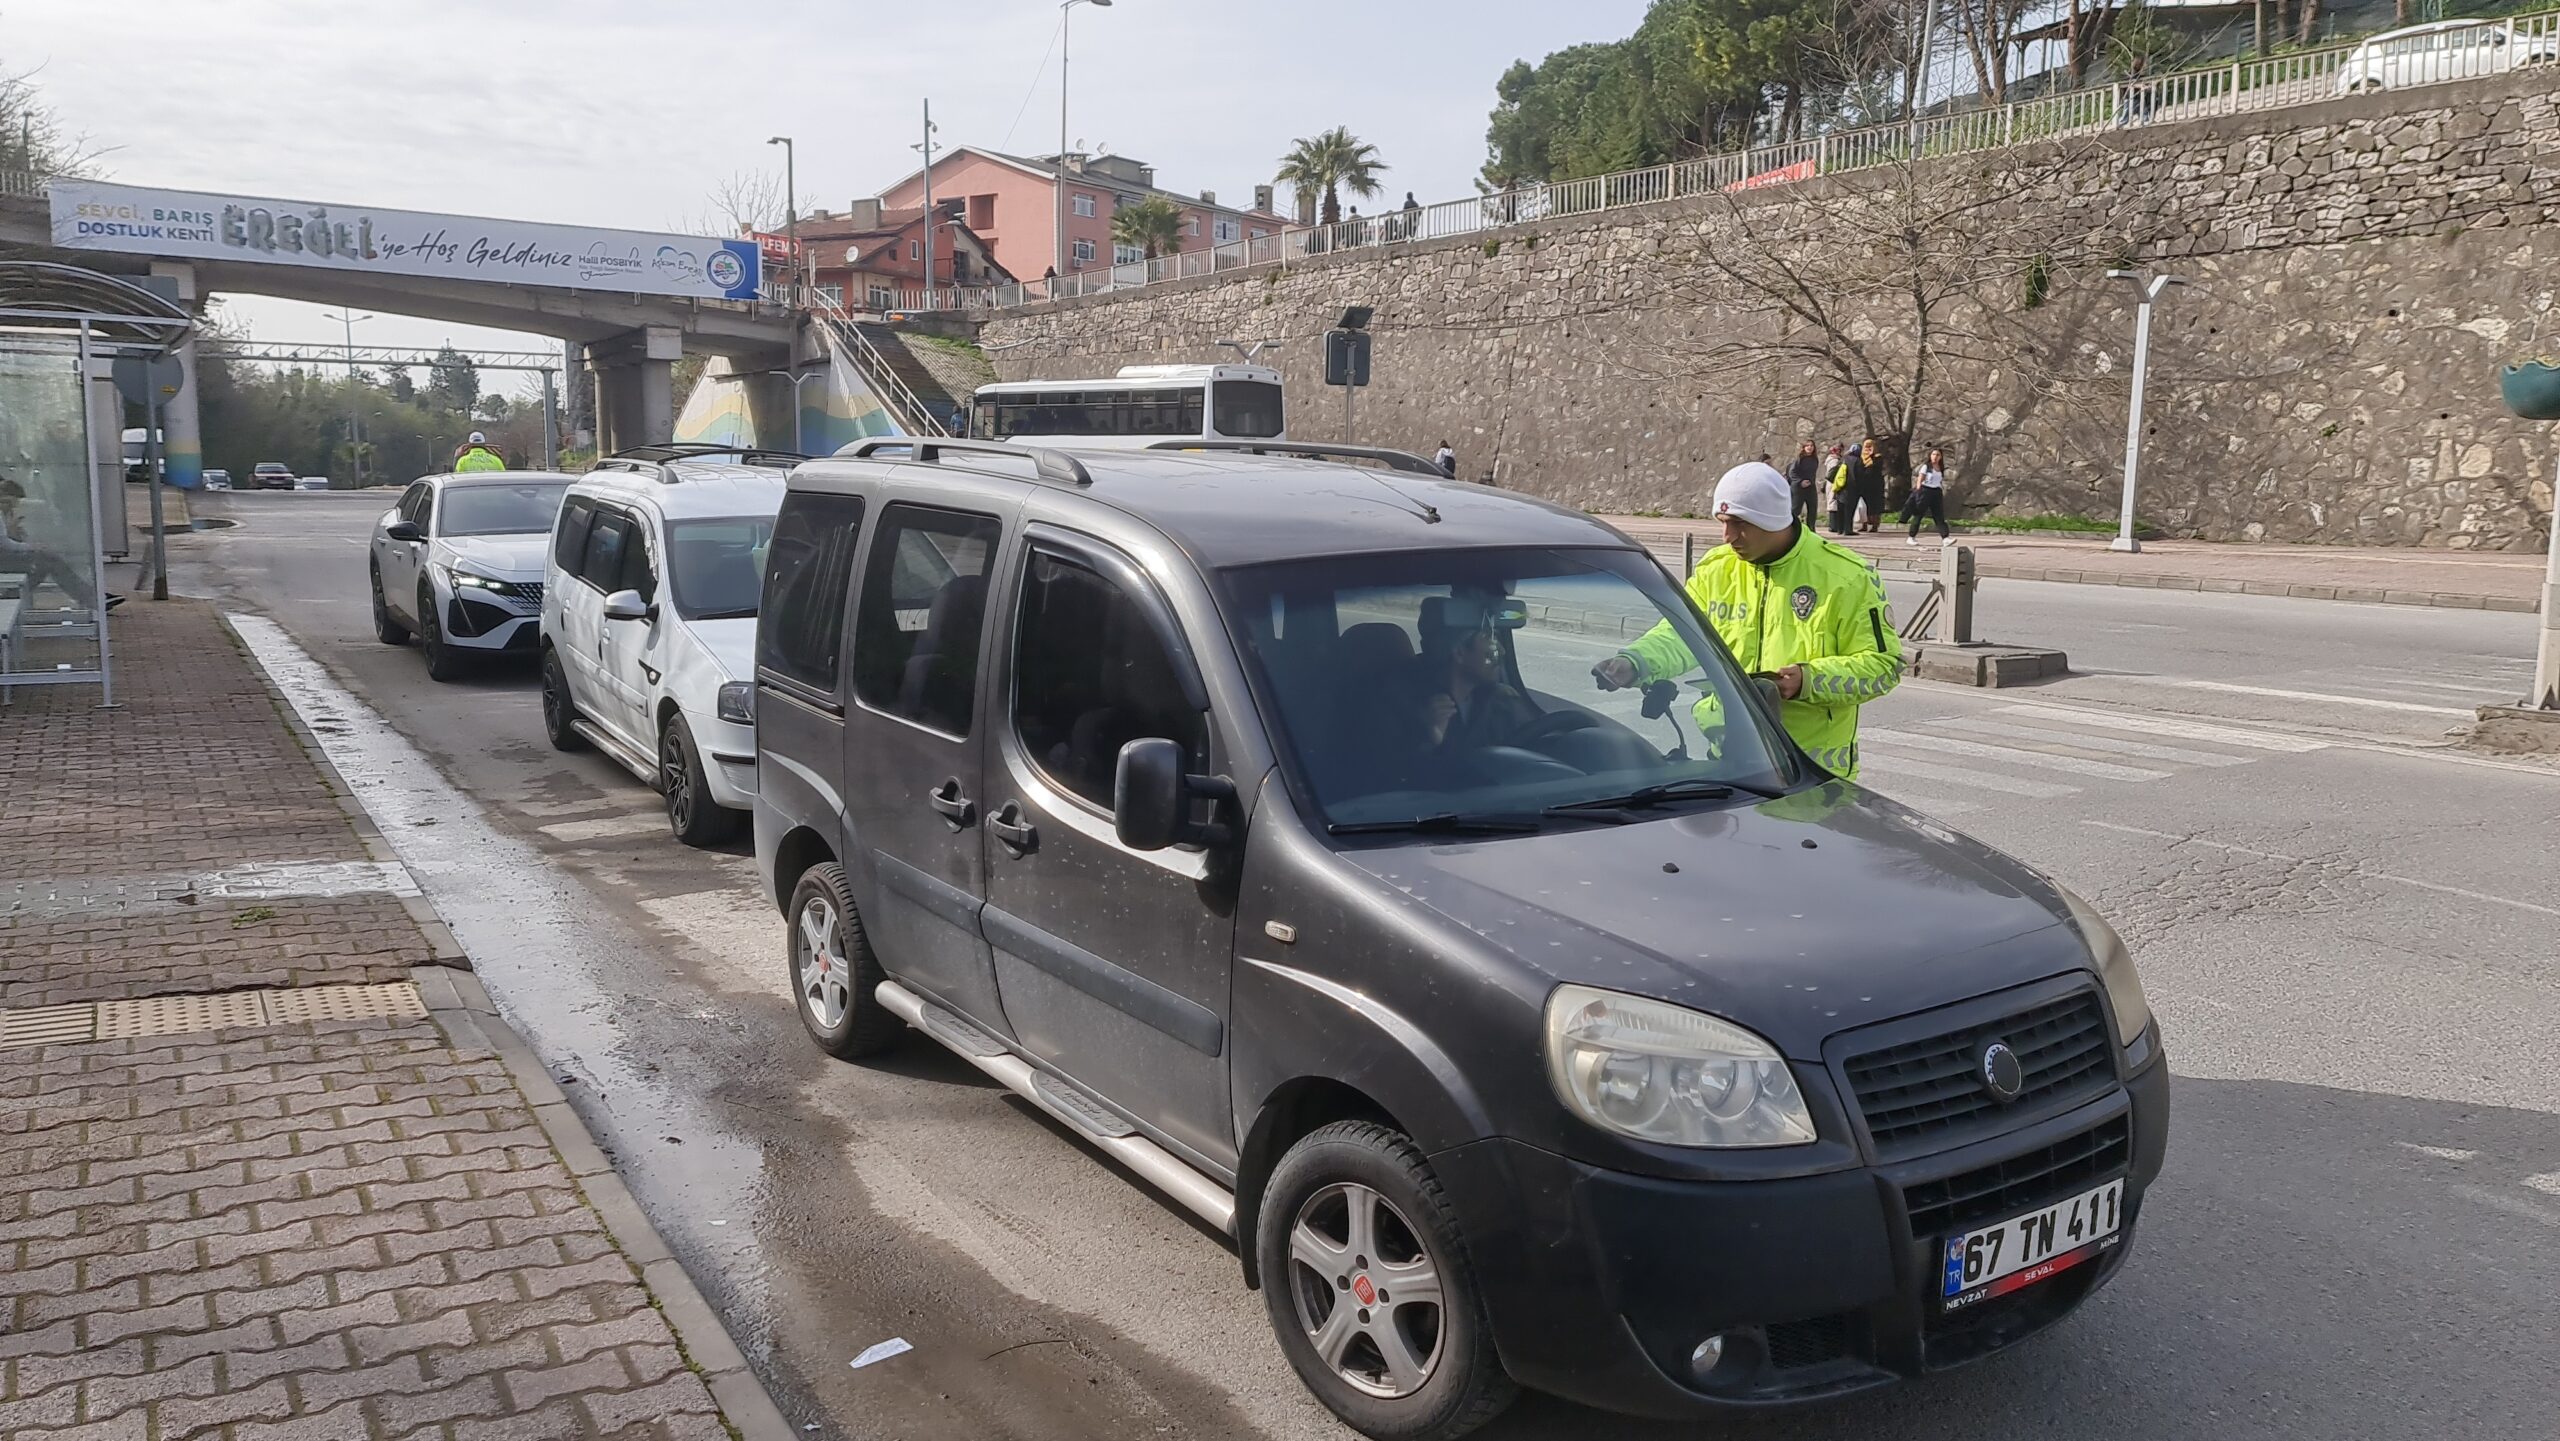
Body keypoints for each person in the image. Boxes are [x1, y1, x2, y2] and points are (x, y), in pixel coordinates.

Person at [1591, 461, 1900, 778]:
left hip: (1812, 773)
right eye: (1723, 522)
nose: (1728, 536)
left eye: (1739, 524)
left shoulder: (1847, 577)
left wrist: (1806, 681)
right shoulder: (1717, 569)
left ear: (1772, 520)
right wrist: (1636, 662)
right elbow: (1684, 637)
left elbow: (1883, 667)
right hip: (1730, 760)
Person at [1409, 595, 1539, 758]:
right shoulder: (1414, 705)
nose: (1502, 651)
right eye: (1489, 639)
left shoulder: (1500, 701)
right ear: (1460, 653)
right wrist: (1433, 741)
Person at [1907, 446, 1951, 544]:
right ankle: (1911, 536)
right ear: (1930, 456)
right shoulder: (1926, 467)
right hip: (1925, 490)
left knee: (1939, 515)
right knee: (1919, 515)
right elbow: (1920, 479)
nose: (1935, 457)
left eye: (1938, 455)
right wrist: (1918, 492)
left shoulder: (1941, 468)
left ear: (1941, 457)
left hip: (1936, 492)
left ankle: (1945, 538)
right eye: (1933, 454)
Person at [1846, 437, 1888, 534]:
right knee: (1863, 506)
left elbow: (1877, 468)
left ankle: (1874, 525)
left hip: (1875, 485)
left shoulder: (1878, 457)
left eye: (1870, 446)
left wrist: (1871, 457)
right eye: (1866, 447)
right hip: (1863, 485)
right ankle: (1864, 524)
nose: (1868, 449)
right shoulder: (1860, 458)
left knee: (1875, 505)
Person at [1785, 441, 1822, 529]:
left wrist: (1810, 482)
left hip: (1810, 486)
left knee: (1812, 509)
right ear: (1804, 447)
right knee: (1796, 509)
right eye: (1807, 446)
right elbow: (1792, 472)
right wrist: (1800, 482)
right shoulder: (1799, 459)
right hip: (1798, 487)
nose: (1810, 447)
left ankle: (1811, 529)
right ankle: (1789, 528)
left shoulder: (1814, 459)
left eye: (1812, 445)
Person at [1824, 444, 1854, 535]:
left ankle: (1834, 525)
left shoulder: (1831, 459)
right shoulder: (1834, 460)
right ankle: (1833, 526)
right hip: (1834, 483)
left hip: (1832, 483)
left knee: (1832, 502)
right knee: (1833, 503)